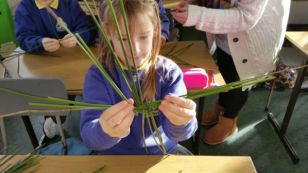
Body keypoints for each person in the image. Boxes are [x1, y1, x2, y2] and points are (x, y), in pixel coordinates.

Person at [80, 0, 198, 155]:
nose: (134, 49)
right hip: (114, 155)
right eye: (123, 39)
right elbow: (89, 137)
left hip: (161, 151)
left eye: (143, 37)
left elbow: (181, 134)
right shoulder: (99, 75)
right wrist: (104, 131)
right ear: (108, 34)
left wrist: (182, 121)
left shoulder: (169, 72)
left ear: (156, 30)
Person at [172, 0, 290, 145]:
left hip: (251, 34)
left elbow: (246, 16)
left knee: (240, 79)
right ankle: (220, 110)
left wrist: (197, 15)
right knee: (224, 70)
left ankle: (229, 120)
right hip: (226, 30)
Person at [14, 0, 93, 53]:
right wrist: (40, 43)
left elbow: (86, 29)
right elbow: (23, 39)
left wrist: (77, 38)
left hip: (74, 55)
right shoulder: (24, 8)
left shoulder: (69, 2)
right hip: (43, 61)